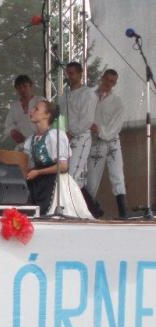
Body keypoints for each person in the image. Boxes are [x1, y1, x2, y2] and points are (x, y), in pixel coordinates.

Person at [24, 100, 93, 218]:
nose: (31, 111)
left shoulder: (55, 135)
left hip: (56, 184)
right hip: (38, 184)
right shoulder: (31, 139)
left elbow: (63, 166)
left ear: (47, 115)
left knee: (57, 216)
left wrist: (38, 172)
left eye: (36, 109)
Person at [86, 69, 128, 218]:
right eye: (107, 80)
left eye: (112, 82)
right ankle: (90, 210)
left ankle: (123, 212)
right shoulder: (90, 95)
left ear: (115, 84)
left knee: (117, 175)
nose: (108, 84)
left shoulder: (117, 102)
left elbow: (117, 125)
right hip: (95, 141)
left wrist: (101, 131)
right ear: (101, 77)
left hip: (112, 141)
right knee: (92, 177)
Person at [58, 62, 97, 191]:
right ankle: (89, 207)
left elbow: (87, 120)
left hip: (81, 137)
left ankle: (72, 208)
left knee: (72, 174)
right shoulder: (64, 95)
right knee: (63, 174)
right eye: (67, 73)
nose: (69, 76)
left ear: (80, 74)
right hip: (66, 137)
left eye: (72, 73)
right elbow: (61, 116)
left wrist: (71, 132)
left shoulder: (88, 94)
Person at [4, 75, 45, 149]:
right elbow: (8, 125)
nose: (22, 90)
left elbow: (50, 119)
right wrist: (12, 132)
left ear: (31, 86)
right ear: (16, 89)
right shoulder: (15, 106)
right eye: (19, 87)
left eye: (25, 86)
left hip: (41, 143)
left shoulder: (40, 101)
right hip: (22, 145)